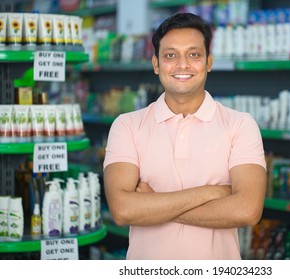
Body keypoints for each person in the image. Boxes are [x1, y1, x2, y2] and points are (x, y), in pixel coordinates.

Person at [103, 12, 267, 260]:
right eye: (170, 55)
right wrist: (210, 193)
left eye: (194, 54)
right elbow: (123, 210)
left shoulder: (240, 125)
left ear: (208, 62)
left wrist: (153, 204)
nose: (182, 65)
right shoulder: (127, 126)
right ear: (156, 64)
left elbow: (247, 211)